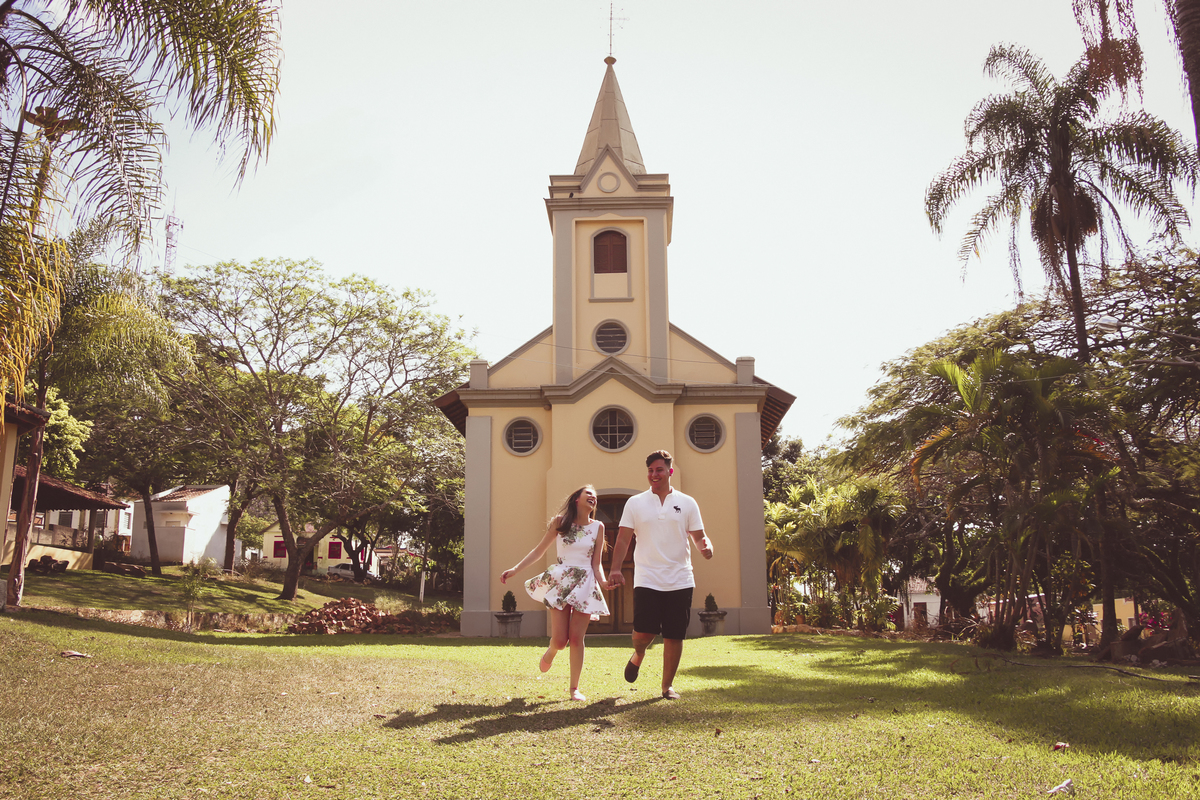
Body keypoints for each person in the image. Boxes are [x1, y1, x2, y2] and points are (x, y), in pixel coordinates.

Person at [607, 449, 713, 700]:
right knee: (644, 633)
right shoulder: (635, 503)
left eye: (659, 470)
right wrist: (614, 568)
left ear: (669, 472)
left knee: (675, 634)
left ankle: (666, 687)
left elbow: (699, 536)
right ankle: (639, 654)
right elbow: (622, 539)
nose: (654, 475)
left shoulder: (688, 503)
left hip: (680, 577)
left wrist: (706, 547)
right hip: (647, 578)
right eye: (650, 471)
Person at [501, 485, 609, 701]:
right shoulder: (560, 522)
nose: (592, 498)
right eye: (588, 494)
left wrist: (604, 583)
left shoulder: (598, 527)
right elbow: (539, 550)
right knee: (560, 641)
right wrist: (515, 569)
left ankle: (574, 689)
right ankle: (551, 652)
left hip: (586, 583)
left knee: (577, 638)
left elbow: (596, 564)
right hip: (561, 580)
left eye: (595, 496)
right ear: (576, 499)